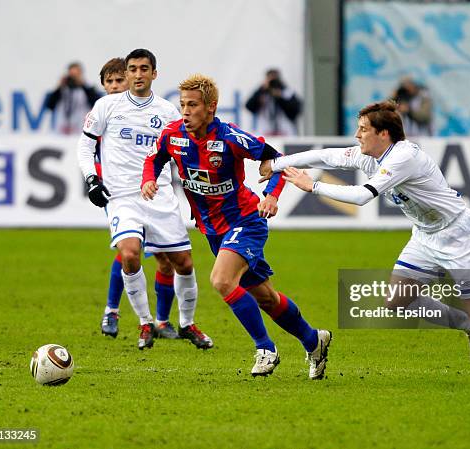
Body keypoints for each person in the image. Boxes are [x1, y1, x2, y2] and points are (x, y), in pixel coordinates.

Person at [260, 100, 470, 388]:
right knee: (397, 301)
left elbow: (363, 196)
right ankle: (469, 327)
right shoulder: (371, 155)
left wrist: (312, 186)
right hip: (425, 235)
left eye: (363, 129)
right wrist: (275, 164)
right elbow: (324, 156)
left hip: (458, 236)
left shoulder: (404, 157)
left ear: (384, 134)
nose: (357, 134)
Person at [141, 74, 331, 379]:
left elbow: (278, 161)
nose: (185, 111)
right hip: (213, 230)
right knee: (265, 297)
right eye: (182, 105)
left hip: (246, 221)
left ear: (211, 107)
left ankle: (265, 349)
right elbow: (154, 159)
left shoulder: (230, 137)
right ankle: (314, 341)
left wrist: (271, 195)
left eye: (192, 105)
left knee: (221, 279)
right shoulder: (172, 134)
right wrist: (148, 179)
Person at [77, 49, 212, 350]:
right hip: (122, 195)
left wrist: (196, 194)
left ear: (154, 73)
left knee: (183, 263)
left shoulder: (167, 112)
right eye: (133, 69)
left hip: (160, 195)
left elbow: (184, 156)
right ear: (126, 74)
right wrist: (91, 180)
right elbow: (84, 148)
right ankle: (144, 322)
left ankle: (187, 324)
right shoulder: (106, 106)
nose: (138, 74)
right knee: (128, 253)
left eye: (144, 69)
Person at [46, 62, 101, 135]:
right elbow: (49, 106)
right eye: (72, 75)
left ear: (81, 74)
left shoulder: (88, 88)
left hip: (80, 131)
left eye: (76, 75)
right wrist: (59, 87)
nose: (74, 78)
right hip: (61, 131)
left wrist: (83, 85)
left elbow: (96, 105)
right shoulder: (62, 89)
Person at [245, 68, 302, 136]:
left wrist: (280, 97)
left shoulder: (287, 92)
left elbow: (296, 110)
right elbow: (249, 106)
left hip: (286, 132)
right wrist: (261, 90)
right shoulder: (262, 93)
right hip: (265, 132)